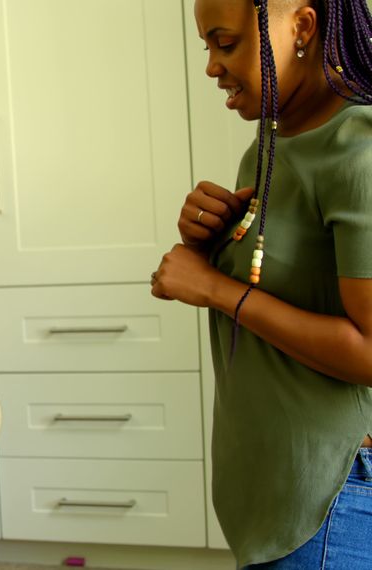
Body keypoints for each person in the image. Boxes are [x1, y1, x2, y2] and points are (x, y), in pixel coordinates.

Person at [152, 0, 372, 566]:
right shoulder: (267, 149)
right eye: (207, 48)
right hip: (271, 498)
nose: (211, 67)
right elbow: (280, 275)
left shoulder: (361, 150)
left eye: (225, 44)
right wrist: (213, 239)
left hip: (327, 505)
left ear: (301, 26)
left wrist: (214, 288)